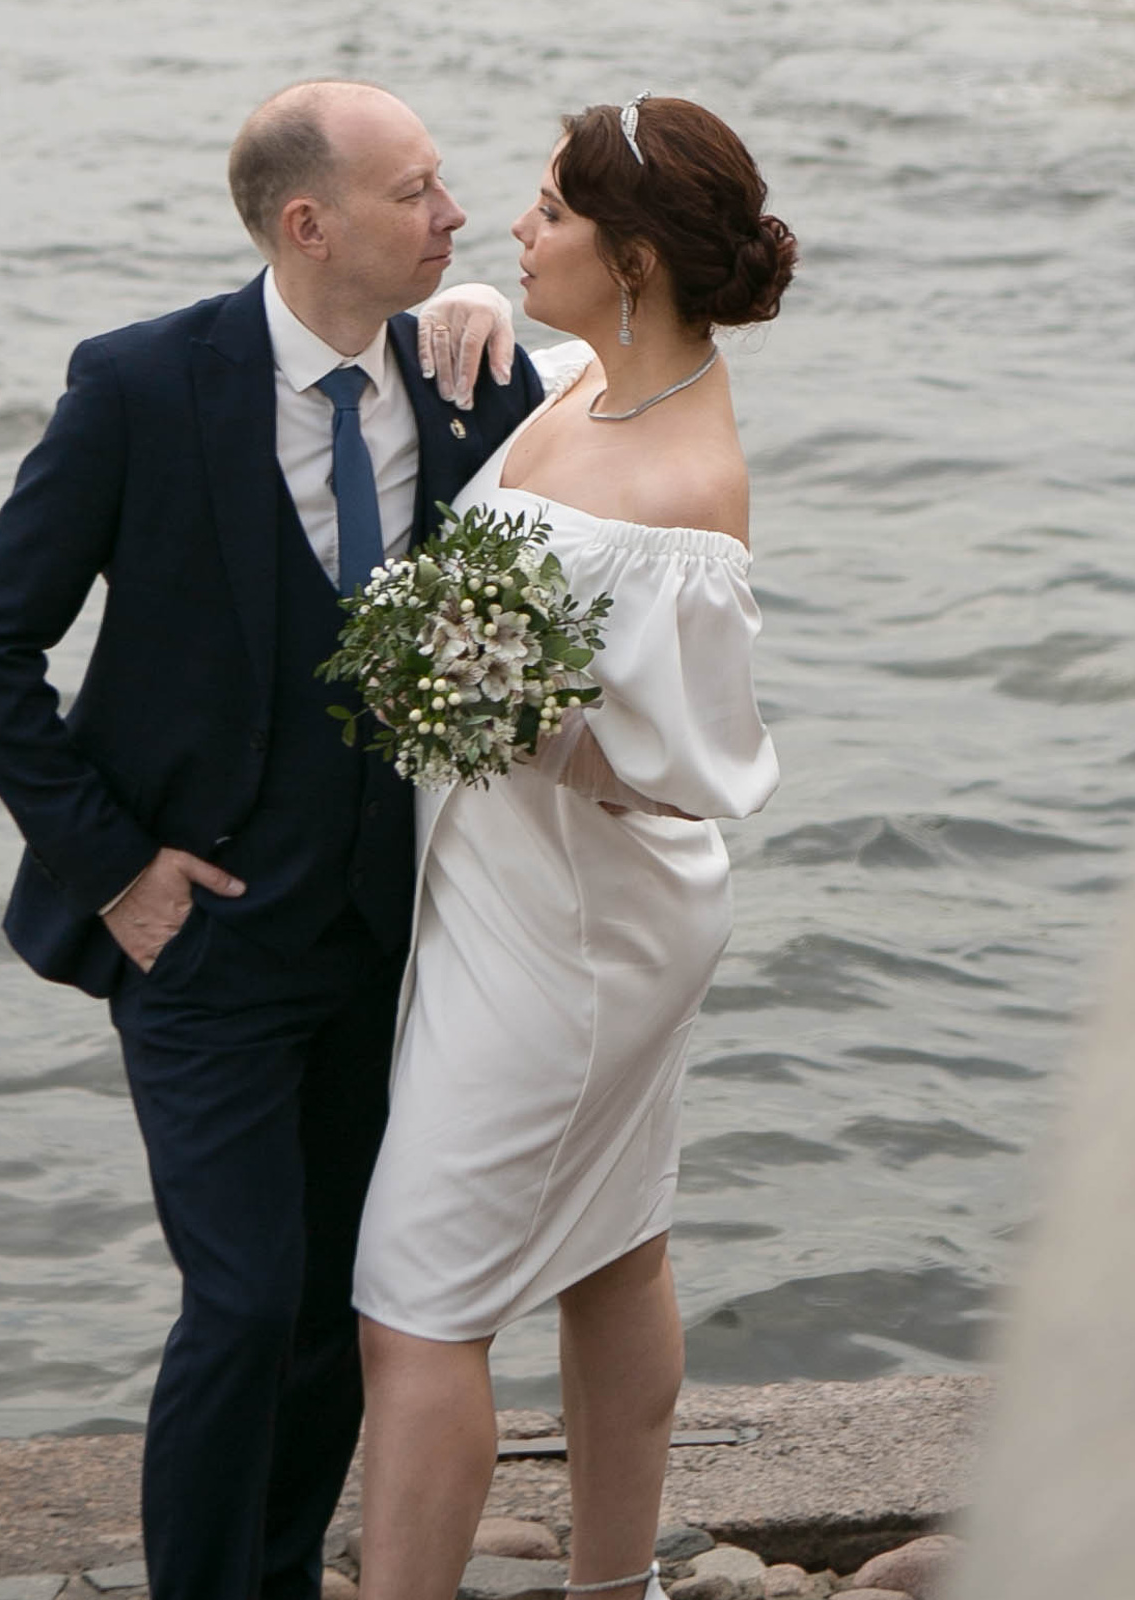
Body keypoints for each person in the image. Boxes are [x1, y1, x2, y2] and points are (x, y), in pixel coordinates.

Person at [0, 82, 538, 1600]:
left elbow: (621, 404)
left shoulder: (469, 380)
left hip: (390, 934)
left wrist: (472, 300)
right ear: (307, 223)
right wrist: (117, 867)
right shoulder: (144, 386)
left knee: (347, 1299)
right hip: (199, 935)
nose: (452, 214)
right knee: (241, 1294)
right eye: (418, 193)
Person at [353, 95, 795, 1600]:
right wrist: (476, 306)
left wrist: (498, 707)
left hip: (578, 930)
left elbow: (692, 771)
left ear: (638, 259)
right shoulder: (597, 376)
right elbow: (523, 360)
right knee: (614, 1244)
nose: (512, 227)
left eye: (547, 213)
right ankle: (617, 1587)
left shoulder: (686, 500)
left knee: (416, 1304)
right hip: (519, 896)